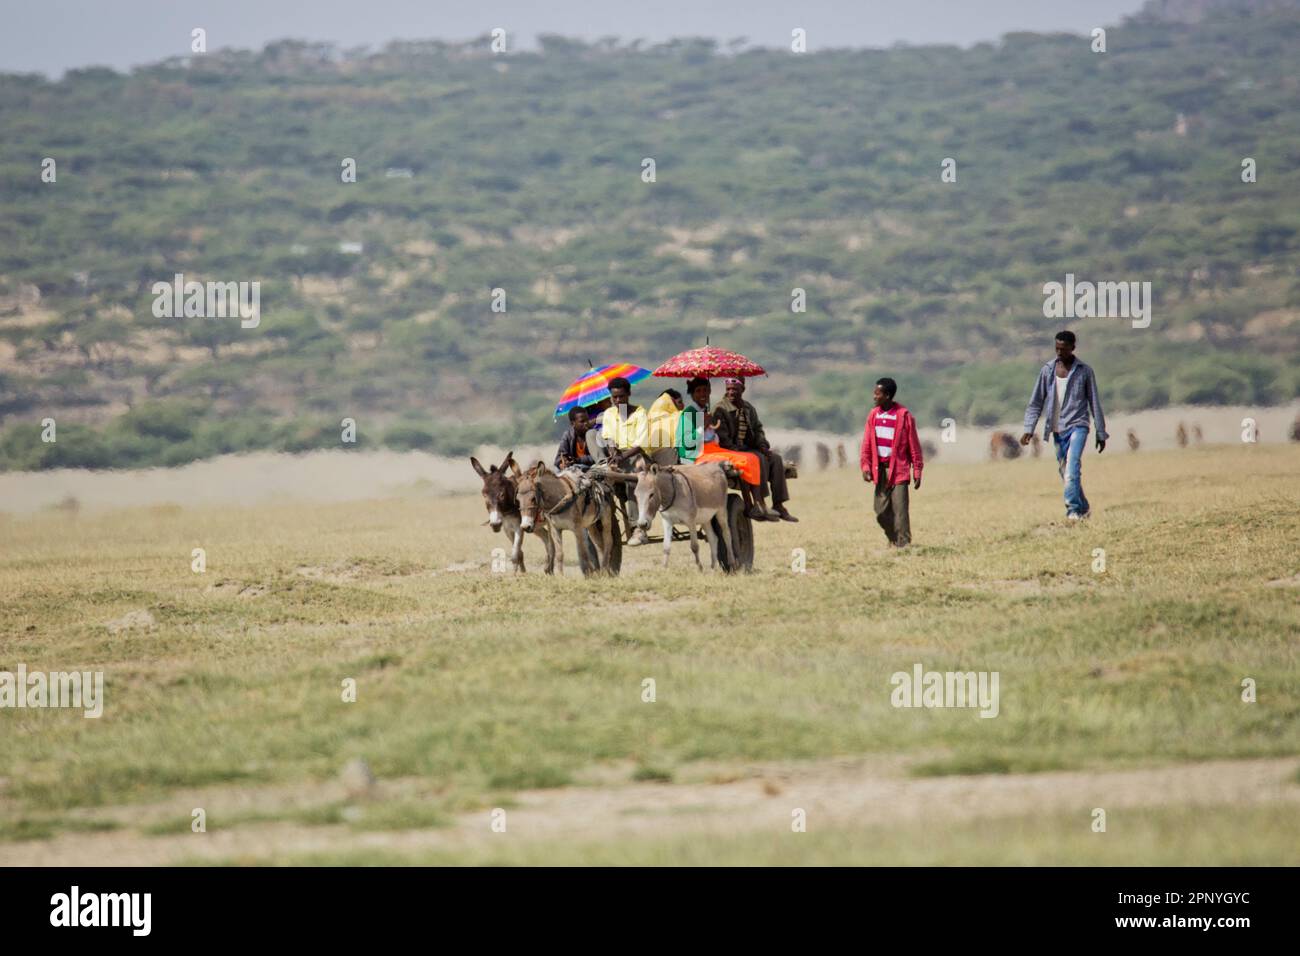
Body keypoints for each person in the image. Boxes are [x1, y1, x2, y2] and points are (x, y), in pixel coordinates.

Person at [1020, 330, 1108, 522]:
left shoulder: (1084, 371)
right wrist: (1029, 428)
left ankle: (1073, 511)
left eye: (1064, 349)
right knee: (1065, 470)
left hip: (1078, 425)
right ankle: (1083, 508)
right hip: (1057, 429)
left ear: (1073, 348)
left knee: (1072, 467)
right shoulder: (1047, 371)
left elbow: (1094, 402)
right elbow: (1036, 402)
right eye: (1057, 349)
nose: (1059, 353)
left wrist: (1101, 432)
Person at [713, 378, 797, 522]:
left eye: (734, 389)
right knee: (757, 459)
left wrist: (763, 444)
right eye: (728, 389)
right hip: (732, 450)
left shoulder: (748, 408)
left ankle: (778, 505)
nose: (731, 392)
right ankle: (760, 503)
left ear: (742, 389)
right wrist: (737, 451)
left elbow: (758, 429)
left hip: (749, 448)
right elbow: (723, 438)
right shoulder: (720, 409)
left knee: (775, 458)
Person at [677, 377, 765, 516]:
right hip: (696, 455)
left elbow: (713, 438)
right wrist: (703, 425)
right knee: (743, 461)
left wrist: (712, 427)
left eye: (705, 390)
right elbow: (687, 442)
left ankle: (758, 503)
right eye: (698, 391)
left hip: (713, 449)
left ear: (710, 391)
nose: (703, 394)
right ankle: (749, 504)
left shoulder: (705, 411)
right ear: (692, 394)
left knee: (752, 458)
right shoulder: (689, 413)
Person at [860, 377, 923, 547]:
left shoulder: (904, 416)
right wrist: (865, 466)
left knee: (900, 512)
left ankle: (905, 545)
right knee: (880, 512)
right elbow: (866, 444)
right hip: (879, 471)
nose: (874, 396)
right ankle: (893, 538)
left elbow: (914, 446)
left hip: (900, 470)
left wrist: (917, 471)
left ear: (887, 396)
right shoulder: (873, 415)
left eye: (877, 393)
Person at [600, 376, 652, 544]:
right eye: (614, 397)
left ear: (629, 394)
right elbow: (608, 438)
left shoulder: (640, 413)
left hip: (635, 455)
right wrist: (613, 453)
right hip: (617, 456)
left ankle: (637, 528)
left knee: (632, 480)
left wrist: (622, 456)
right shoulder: (609, 413)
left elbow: (641, 444)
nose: (618, 400)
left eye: (621, 396)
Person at [647, 388, 684, 466]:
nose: (683, 405)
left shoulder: (647, 418)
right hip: (669, 457)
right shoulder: (678, 416)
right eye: (679, 402)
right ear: (670, 402)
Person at [554, 407, 596, 471]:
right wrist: (562, 463)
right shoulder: (568, 435)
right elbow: (559, 457)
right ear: (572, 424)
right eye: (582, 421)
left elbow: (596, 457)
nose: (586, 423)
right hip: (574, 469)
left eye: (587, 420)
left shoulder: (593, 433)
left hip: (592, 467)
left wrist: (577, 460)